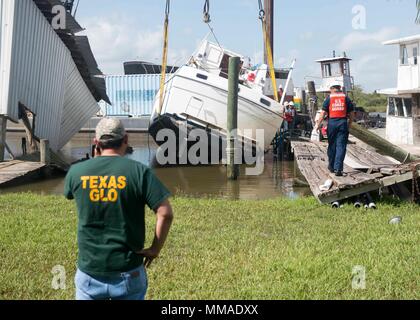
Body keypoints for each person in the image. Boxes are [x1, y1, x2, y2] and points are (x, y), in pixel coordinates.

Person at [64, 118, 174, 300]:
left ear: (96, 143)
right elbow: (165, 213)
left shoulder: (76, 172)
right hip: (129, 272)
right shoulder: (140, 172)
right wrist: (155, 249)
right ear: (126, 139)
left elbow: (70, 194)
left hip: (89, 273)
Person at [316, 84, 354, 177]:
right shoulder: (346, 98)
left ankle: (331, 166)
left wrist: (318, 125)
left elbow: (323, 113)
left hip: (332, 123)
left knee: (332, 145)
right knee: (341, 146)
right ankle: (338, 169)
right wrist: (350, 124)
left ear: (332, 89)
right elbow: (352, 113)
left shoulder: (329, 98)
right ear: (339, 89)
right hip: (342, 122)